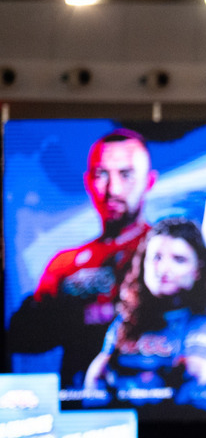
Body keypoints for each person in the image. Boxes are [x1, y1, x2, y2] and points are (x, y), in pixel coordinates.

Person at [7, 129, 156, 389]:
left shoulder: (170, 254)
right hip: (79, 409)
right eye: (102, 174)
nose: (113, 189)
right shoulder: (66, 263)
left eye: (126, 174)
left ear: (149, 182)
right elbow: (21, 336)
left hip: (157, 405)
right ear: (88, 182)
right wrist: (81, 316)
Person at [83, 217, 206, 403]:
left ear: (198, 270)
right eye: (156, 257)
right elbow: (94, 380)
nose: (163, 269)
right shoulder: (127, 320)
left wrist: (124, 371)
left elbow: (192, 378)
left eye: (178, 259)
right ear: (143, 264)